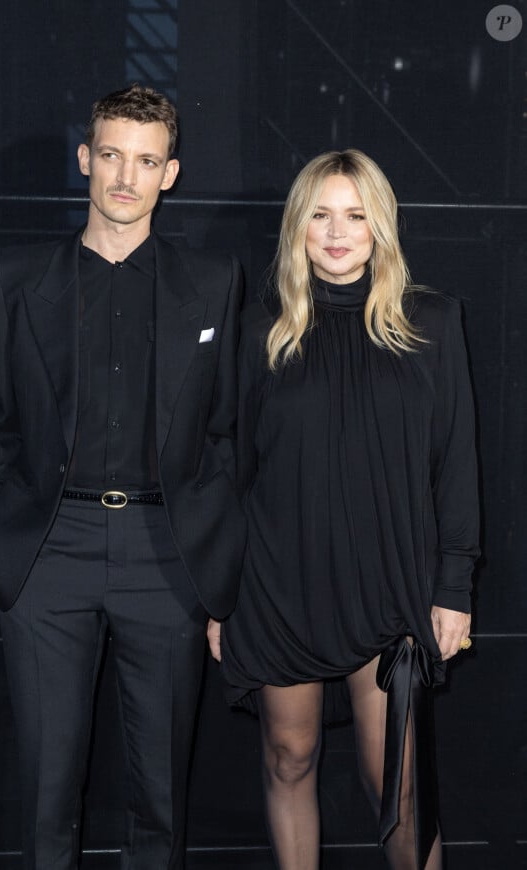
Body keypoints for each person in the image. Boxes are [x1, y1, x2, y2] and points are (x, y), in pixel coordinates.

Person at [0, 83, 245, 870]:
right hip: (49, 551)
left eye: (147, 160)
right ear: (86, 159)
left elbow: (228, 432)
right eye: (113, 156)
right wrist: (5, 535)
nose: (127, 177)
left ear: (172, 172)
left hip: (167, 556)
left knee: (161, 795)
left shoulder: (214, 281)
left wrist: (213, 568)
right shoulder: (20, 277)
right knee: (46, 795)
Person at [211, 149, 479, 870]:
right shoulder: (258, 328)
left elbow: (456, 465)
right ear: (298, 226)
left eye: (355, 215)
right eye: (322, 215)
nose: (337, 232)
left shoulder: (431, 323)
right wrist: (219, 595)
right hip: (277, 583)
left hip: (389, 578)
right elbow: (231, 468)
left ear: (380, 225)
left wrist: (454, 588)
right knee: (289, 758)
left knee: (396, 783)